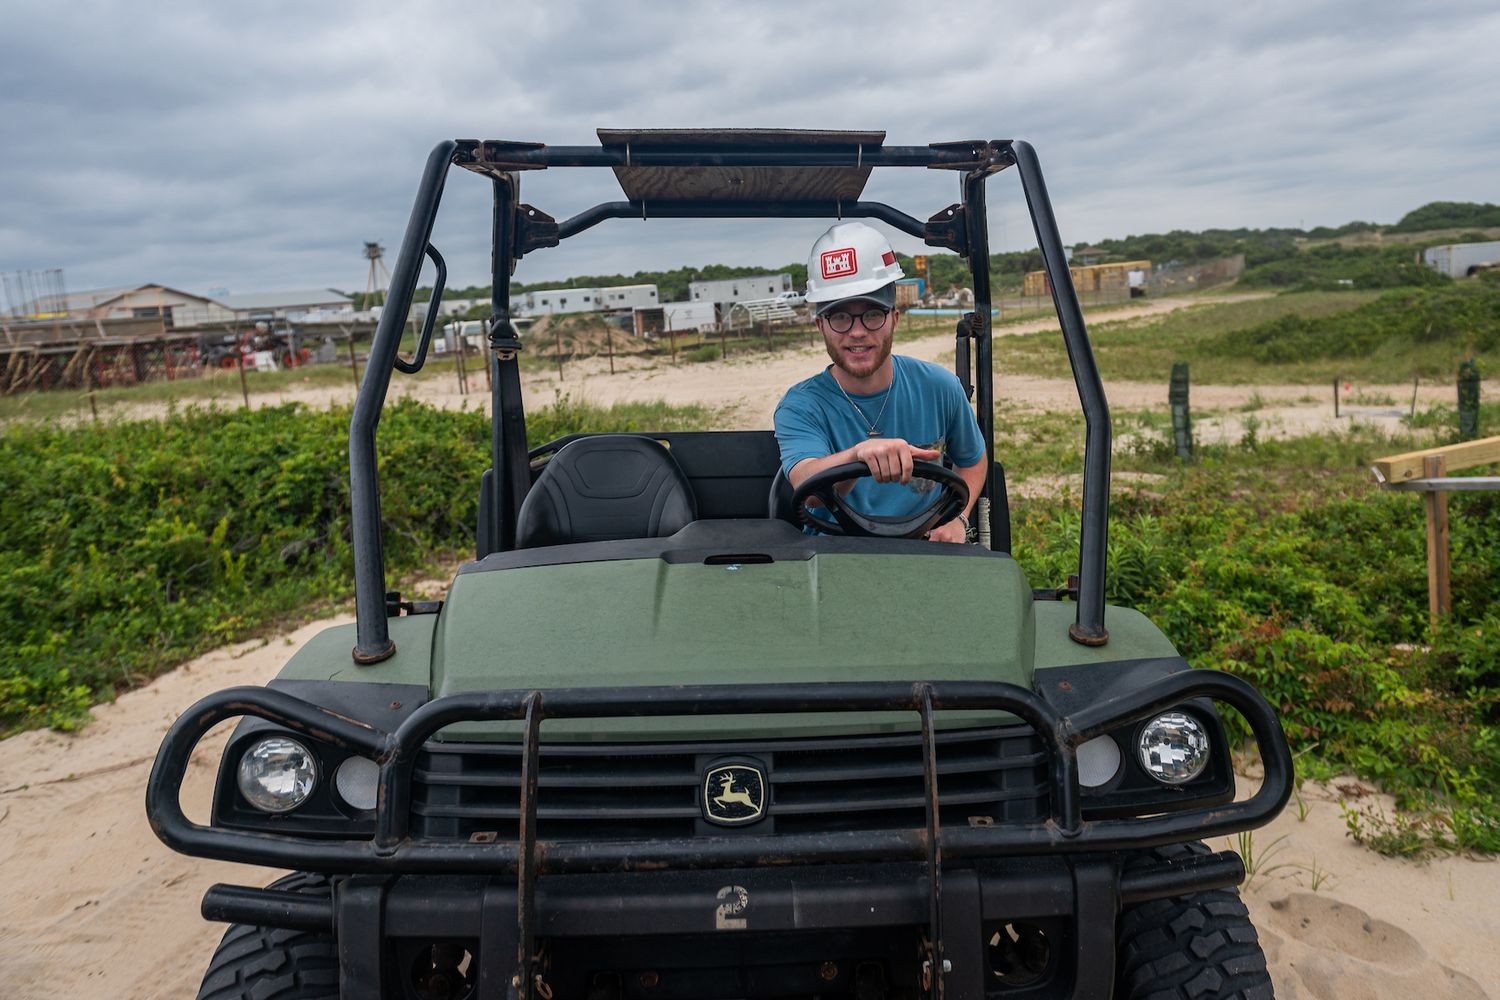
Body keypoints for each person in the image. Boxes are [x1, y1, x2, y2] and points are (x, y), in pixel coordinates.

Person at [774, 222, 987, 542]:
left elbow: (973, 460)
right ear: (821, 326)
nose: (857, 331)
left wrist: (958, 518)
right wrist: (856, 456)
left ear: (894, 319)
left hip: (924, 551)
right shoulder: (800, 406)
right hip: (833, 557)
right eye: (839, 316)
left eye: (873, 314)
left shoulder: (940, 387)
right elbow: (810, 490)